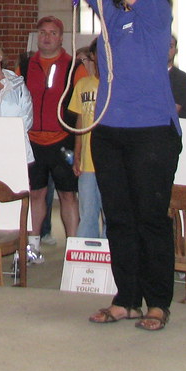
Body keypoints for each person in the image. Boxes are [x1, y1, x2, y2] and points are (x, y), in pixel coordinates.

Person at [71, 0, 180, 333]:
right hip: (110, 129)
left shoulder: (155, 9)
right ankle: (127, 298)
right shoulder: (113, 19)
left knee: (150, 218)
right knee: (117, 218)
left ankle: (158, 301)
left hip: (152, 130)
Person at [20, 16, 79, 258]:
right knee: (36, 194)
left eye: (53, 33)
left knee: (67, 195)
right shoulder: (25, 65)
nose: (47, 37)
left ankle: (73, 249)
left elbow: (82, 106)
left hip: (63, 140)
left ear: (61, 38)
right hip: (32, 140)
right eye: (43, 32)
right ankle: (33, 246)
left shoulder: (74, 66)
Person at [69, 40, 104, 238]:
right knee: (88, 212)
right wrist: (77, 154)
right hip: (87, 161)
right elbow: (80, 121)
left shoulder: (117, 86)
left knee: (112, 214)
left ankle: (111, 254)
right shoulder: (83, 85)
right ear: (93, 56)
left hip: (111, 161)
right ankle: (87, 252)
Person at [167, 34, 186, 119]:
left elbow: (172, 111)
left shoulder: (183, 80)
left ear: (175, 51)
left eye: (170, 46)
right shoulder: (149, 77)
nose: (166, 50)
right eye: (163, 45)